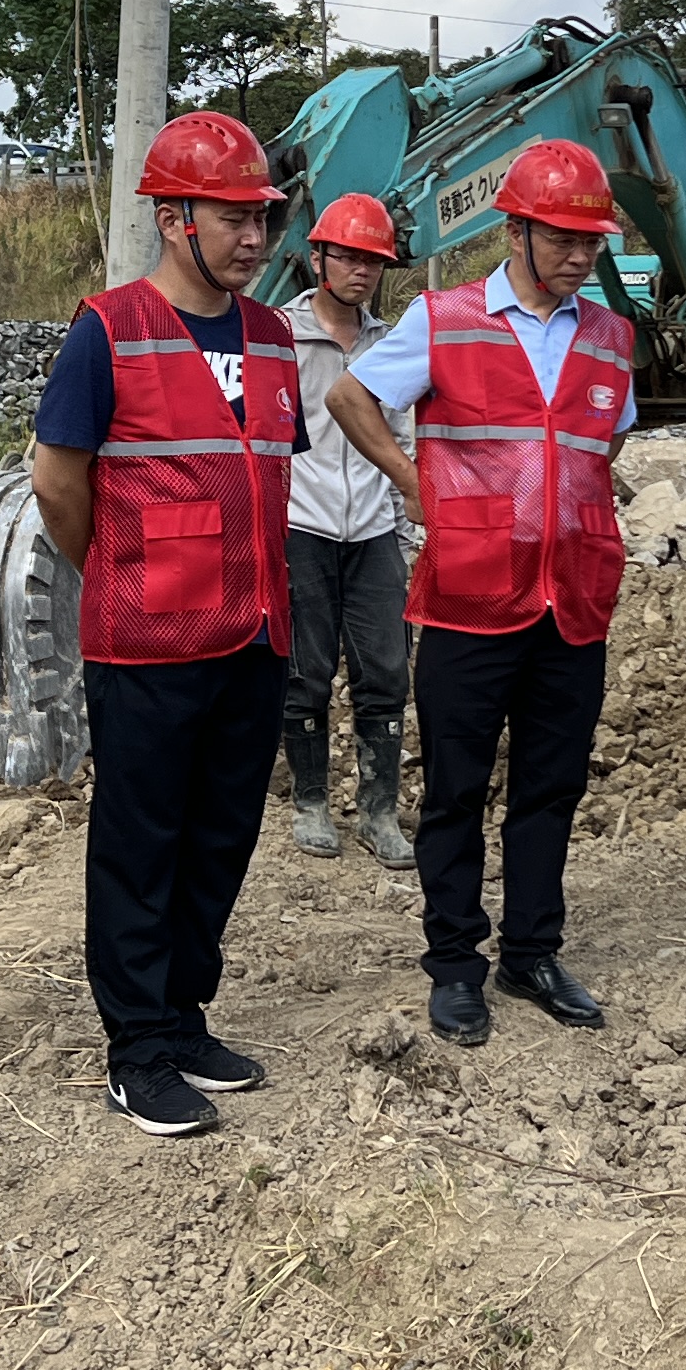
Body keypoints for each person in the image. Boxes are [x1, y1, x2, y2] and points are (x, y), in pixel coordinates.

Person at [28, 111, 303, 1139]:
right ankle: (137, 1048)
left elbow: (261, 479)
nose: (254, 239)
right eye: (234, 219)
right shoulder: (110, 331)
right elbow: (58, 482)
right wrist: (118, 569)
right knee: (140, 847)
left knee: (221, 838)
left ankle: (184, 1020)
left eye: (262, 219)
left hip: (255, 637)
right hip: (147, 644)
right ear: (174, 218)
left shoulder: (274, 338)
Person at [329, 140, 631, 1047]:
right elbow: (350, 398)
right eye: (562, 238)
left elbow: (602, 441)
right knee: (457, 791)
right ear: (516, 232)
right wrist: (414, 483)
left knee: (551, 787)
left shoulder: (610, 335)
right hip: (468, 601)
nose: (579, 255)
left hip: (571, 601)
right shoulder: (444, 318)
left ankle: (531, 952)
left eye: (591, 241)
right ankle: (456, 963)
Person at [279, 190, 417, 868]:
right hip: (300, 524)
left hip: (371, 528)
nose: (361, 271)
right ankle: (310, 801)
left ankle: (378, 810)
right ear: (319, 259)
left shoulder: (389, 344)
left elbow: (402, 438)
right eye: (349, 257)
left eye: (373, 260)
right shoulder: (280, 337)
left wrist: (405, 529)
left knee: (385, 669)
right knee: (305, 671)